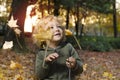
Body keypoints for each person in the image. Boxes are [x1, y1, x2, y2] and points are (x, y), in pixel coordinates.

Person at [34, 15, 83, 80]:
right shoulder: (42, 53)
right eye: (51, 27)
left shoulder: (68, 47)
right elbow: (39, 75)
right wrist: (46, 62)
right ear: (43, 34)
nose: (57, 29)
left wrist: (75, 65)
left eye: (59, 26)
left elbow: (80, 70)